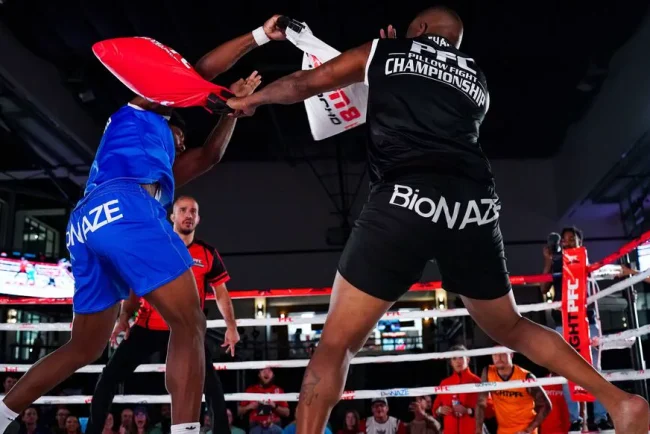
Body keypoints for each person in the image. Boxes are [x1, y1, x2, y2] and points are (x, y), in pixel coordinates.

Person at [227, 7, 649, 434]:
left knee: (336, 344)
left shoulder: (384, 52)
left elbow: (305, 84)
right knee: (513, 327)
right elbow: (425, 96)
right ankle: (620, 401)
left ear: (422, 28)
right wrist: (388, 61)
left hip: (404, 198)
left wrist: (250, 101)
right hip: (474, 207)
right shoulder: (477, 79)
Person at [0, 15, 288, 434]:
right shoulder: (143, 110)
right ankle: (186, 430)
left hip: (86, 224)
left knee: (85, 346)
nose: (182, 144)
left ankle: (1, 413)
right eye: (180, 138)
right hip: (125, 209)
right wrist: (259, 36)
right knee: (190, 322)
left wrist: (232, 112)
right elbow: (195, 74)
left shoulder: (158, 169)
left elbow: (209, 156)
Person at [86, 196, 238, 434]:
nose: (188, 215)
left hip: (186, 331)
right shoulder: (153, 249)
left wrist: (231, 326)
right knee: (108, 378)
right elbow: (134, 287)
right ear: (173, 216)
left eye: (193, 211)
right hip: (148, 327)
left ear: (198, 218)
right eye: (183, 210)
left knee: (212, 387)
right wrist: (124, 317)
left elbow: (221, 292)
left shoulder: (207, 253)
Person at [541, 226, 611, 431]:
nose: (568, 242)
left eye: (572, 239)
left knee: (594, 370)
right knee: (567, 371)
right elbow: (544, 288)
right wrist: (548, 260)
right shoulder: (557, 263)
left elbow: (607, 274)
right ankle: (575, 419)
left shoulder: (586, 262)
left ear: (581, 242)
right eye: (564, 240)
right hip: (563, 323)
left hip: (586, 321)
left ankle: (600, 417)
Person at [475, 352, 551, 434]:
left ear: (511, 355)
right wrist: (479, 430)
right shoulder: (488, 372)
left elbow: (546, 405)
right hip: (503, 430)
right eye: (495, 354)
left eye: (502, 353)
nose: (499, 357)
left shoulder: (525, 376)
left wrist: (528, 430)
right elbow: (481, 403)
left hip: (524, 429)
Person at [432, 345, 489, 434]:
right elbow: (434, 409)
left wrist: (468, 411)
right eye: (454, 358)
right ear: (451, 362)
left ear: (468, 359)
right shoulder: (444, 383)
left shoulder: (478, 382)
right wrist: (440, 410)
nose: (458, 361)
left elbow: (490, 409)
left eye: (461, 357)